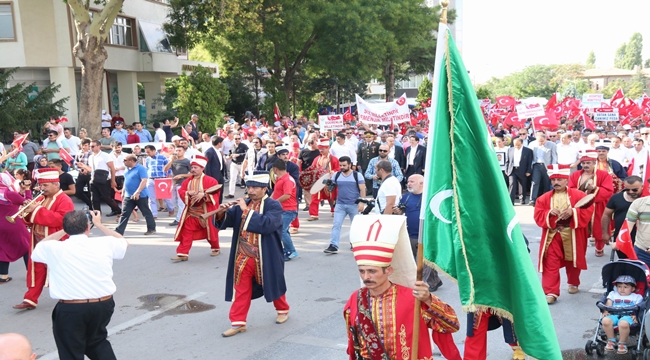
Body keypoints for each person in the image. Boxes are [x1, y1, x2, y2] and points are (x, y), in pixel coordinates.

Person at [344, 215, 461, 360]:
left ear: (388, 271)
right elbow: (354, 342)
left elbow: (452, 325)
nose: (366, 277)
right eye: (362, 271)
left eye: (372, 271)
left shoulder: (413, 298)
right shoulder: (356, 299)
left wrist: (429, 299)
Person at [31, 210, 128, 360]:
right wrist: (99, 225)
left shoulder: (54, 248)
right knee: (97, 342)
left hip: (71, 308)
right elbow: (123, 241)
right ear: (88, 227)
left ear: (67, 229)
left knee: (70, 350)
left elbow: (39, 247)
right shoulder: (104, 243)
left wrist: (64, 229)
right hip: (103, 304)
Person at [214, 172, 289, 337]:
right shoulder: (245, 203)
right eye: (249, 187)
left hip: (266, 256)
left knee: (273, 283)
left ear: (264, 189)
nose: (251, 190)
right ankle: (238, 322)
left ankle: (282, 309)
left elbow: (267, 225)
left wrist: (245, 210)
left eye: (255, 187)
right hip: (243, 255)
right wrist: (221, 212)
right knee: (240, 288)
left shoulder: (273, 206)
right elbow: (227, 221)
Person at [13, 168, 75, 310]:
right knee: (36, 269)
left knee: (59, 270)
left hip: (56, 242)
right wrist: (27, 212)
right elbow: (31, 221)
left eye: (45, 186)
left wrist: (36, 210)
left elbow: (60, 220)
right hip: (38, 240)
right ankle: (30, 299)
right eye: (41, 185)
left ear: (56, 184)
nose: (42, 189)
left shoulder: (64, 200)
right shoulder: (41, 199)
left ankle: (67, 296)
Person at [534, 164, 593, 304]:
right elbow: (538, 215)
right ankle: (550, 291)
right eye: (553, 180)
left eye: (559, 179)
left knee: (573, 259)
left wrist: (574, 212)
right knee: (550, 261)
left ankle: (573, 282)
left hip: (572, 233)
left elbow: (588, 210)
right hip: (553, 234)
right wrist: (548, 213)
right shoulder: (543, 198)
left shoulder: (579, 195)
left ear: (566, 180)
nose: (556, 182)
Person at [394, 174, 442, 291]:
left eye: (412, 182)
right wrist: (398, 211)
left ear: (422, 183)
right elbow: (400, 213)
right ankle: (435, 281)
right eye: (408, 181)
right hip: (409, 234)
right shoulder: (406, 197)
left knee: (420, 265)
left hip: (425, 236)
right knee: (419, 262)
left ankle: (417, 288)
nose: (408, 184)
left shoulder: (429, 198)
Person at [171, 155, 221, 261]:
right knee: (186, 231)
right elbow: (181, 191)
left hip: (206, 212)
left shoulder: (211, 181)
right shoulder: (187, 181)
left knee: (211, 232)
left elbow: (216, 195)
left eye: (195, 167)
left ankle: (215, 247)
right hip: (191, 212)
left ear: (202, 168)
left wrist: (204, 195)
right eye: (192, 167)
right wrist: (188, 192)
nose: (192, 170)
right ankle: (183, 253)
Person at [569, 149, 614, 257]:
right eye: (583, 163)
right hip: (581, 205)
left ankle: (599, 247)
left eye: (588, 163)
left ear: (594, 163)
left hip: (597, 204)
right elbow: (570, 189)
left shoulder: (604, 175)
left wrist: (595, 189)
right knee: (581, 227)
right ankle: (581, 249)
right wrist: (579, 194)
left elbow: (608, 190)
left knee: (598, 226)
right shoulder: (575, 175)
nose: (585, 165)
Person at [323, 156, 365, 254]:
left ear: (350, 165)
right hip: (340, 204)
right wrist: (328, 183)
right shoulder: (337, 175)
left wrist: (362, 202)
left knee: (355, 226)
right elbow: (330, 188)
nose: (342, 167)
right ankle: (333, 245)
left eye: (344, 165)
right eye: (340, 165)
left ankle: (355, 243)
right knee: (336, 225)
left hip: (353, 205)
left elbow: (363, 189)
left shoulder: (357, 175)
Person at [0, 173, 31, 284]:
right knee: (27, 246)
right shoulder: (9, 193)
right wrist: (27, 190)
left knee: (2, 249)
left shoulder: (7, 194)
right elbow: (29, 203)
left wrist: (20, 192)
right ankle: (30, 273)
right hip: (12, 224)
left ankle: (3, 275)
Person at [601, 275, 643, 354]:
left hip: (628, 315)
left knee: (623, 324)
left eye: (625, 287)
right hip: (614, 314)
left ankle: (622, 343)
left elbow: (639, 308)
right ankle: (611, 340)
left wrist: (635, 315)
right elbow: (609, 303)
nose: (622, 289)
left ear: (633, 288)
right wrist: (606, 310)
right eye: (619, 286)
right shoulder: (613, 294)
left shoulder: (636, 297)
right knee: (606, 321)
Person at [77, 140, 121, 216]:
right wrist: (83, 166)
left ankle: (118, 210)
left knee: (106, 198)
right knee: (94, 199)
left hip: (104, 180)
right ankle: (97, 215)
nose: (91, 148)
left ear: (99, 146)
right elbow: (91, 169)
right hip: (93, 180)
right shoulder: (91, 157)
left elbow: (112, 168)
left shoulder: (105, 156)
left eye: (93, 146)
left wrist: (113, 180)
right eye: (90, 146)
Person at [115, 154, 157, 236]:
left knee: (146, 212)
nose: (123, 162)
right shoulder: (127, 169)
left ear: (132, 161)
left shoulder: (141, 169)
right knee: (124, 213)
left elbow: (144, 181)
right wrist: (123, 191)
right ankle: (119, 231)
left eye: (125, 160)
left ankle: (151, 228)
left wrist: (138, 192)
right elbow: (126, 180)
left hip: (140, 195)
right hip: (128, 195)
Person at [603, 176, 643, 259]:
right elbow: (606, 215)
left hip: (643, 239)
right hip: (622, 238)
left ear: (642, 187)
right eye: (627, 189)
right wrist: (605, 233)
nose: (631, 192)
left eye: (635, 190)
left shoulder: (646, 199)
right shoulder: (616, 198)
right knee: (625, 264)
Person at [270, 159, 299, 261]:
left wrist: (274, 202)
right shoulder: (280, 178)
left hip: (288, 210)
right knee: (284, 230)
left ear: (275, 169)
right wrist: (269, 200)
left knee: (281, 230)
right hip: (283, 209)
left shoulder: (288, 180)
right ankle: (287, 249)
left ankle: (291, 251)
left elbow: (287, 195)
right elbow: (276, 192)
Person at [307, 138, 340, 221]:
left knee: (332, 197)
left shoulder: (334, 159)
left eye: (323, 148)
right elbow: (312, 168)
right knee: (315, 197)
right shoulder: (316, 159)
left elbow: (338, 169)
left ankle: (334, 211)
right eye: (320, 148)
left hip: (329, 181)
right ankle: (314, 214)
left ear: (328, 148)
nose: (321, 150)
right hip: (318, 181)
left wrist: (333, 172)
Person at [165, 145, 192, 226]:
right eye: (177, 150)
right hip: (174, 183)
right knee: (172, 201)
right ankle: (185, 215)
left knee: (181, 203)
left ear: (184, 151)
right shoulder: (173, 160)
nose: (178, 152)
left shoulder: (186, 161)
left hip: (182, 183)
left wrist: (182, 175)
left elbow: (192, 174)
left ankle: (179, 219)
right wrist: (171, 161)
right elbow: (165, 169)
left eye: (180, 150)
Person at [528, 132, 557, 206]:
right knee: (535, 182)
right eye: (539, 141)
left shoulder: (552, 145)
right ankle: (532, 199)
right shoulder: (532, 144)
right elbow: (529, 156)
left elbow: (554, 156)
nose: (541, 143)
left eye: (542, 141)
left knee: (546, 183)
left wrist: (552, 167)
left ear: (546, 139)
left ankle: (546, 199)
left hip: (547, 166)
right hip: (536, 165)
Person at [144, 145, 173, 218]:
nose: (147, 154)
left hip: (161, 179)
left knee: (166, 197)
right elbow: (147, 169)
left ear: (154, 150)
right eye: (146, 152)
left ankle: (171, 209)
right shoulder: (147, 159)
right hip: (150, 179)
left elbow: (169, 167)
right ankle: (154, 214)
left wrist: (169, 174)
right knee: (151, 198)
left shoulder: (162, 157)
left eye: (148, 152)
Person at [505, 138, 533, 205]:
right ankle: (511, 201)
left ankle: (522, 199)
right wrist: (506, 170)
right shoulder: (510, 150)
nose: (517, 146)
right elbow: (507, 161)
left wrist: (529, 171)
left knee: (522, 185)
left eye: (518, 145)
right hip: (512, 170)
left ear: (522, 143)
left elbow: (530, 162)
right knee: (512, 184)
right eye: (515, 145)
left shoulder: (528, 151)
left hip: (522, 170)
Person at [297, 138, 320, 211]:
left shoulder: (319, 152)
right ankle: (308, 205)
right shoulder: (303, 152)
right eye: (316, 144)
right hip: (305, 173)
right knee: (306, 190)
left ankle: (316, 202)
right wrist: (298, 171)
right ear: (311, 144)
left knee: (316, 188)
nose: (317, 145)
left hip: (316, 172)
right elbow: (299, 161)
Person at [204, 136, 226, 204]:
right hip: (213, 176)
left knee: (220, 192)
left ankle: (219, 206)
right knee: (213, 193)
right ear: (219, 143)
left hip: (219, 175)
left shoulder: (218, 151)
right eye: (222, 142)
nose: (222, 144)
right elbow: (207, 166)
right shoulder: (209, 152)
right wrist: (209, 179)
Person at [226, 133, 248, 199]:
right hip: (234, 163)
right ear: (233, 139)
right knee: (232, 179)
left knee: (246, 178)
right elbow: (229, 153)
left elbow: (247, 153)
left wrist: (239, 155)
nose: (237, 140)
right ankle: (231, 193)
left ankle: (249, 191)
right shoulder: (232, 146)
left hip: (242, 163)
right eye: (236, 139)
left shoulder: (244, 146)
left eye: (239, 138)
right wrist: (229, 157)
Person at [74, 139, 93, 208]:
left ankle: (92, 207)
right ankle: (89, 203)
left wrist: (86, 170)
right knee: (77, 191)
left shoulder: (91, 153)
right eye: (83, 145)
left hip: (90, 175)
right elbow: (75, 163)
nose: (84, 147)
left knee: (91, 192)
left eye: (86, 145)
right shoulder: (78, 153)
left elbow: (92, 165)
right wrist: (80, 170)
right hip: (81, 174)